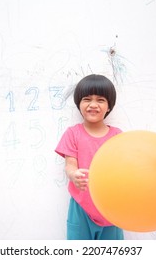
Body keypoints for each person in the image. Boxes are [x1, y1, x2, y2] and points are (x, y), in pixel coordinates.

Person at [55, 74, 124, 240]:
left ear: (109, 106)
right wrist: (73, 175)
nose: (93, 104)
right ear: (79, 104)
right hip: (81, 207)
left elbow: (124, 169)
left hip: (111, 207)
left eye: (100, 100)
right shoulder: (73, 133)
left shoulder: (118, 136)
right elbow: (70, 165)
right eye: (87, 99)